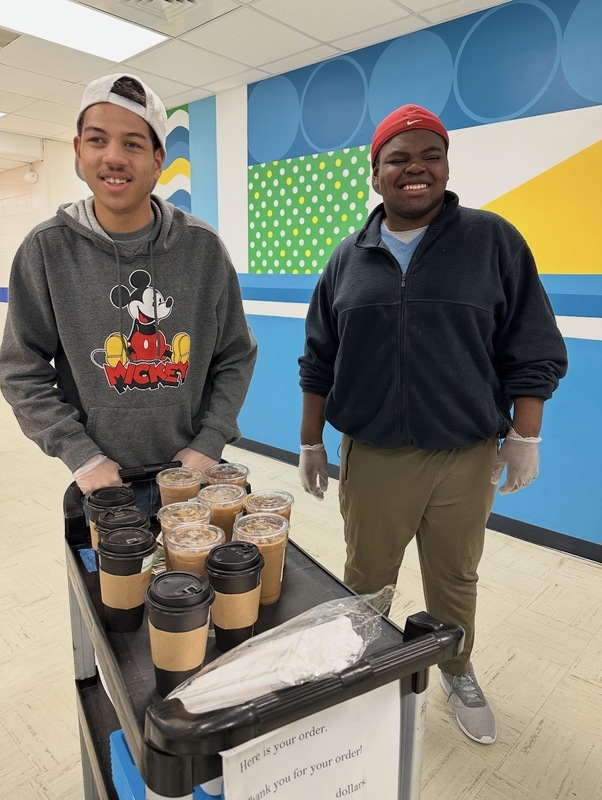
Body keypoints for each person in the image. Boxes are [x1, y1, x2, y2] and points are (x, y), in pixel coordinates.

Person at [298, 104, 567, 744]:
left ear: (445, 166)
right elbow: (318, 359)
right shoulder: (349, 258)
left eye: (430, 156)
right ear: (375, 174)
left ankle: (457, 665)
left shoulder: (491, 241)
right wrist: (312, 440)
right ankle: (358, 668)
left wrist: (524, 435)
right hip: (375, 455)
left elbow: (531, 345)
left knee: (455, 575)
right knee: (366, 577)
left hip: (467, 454)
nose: (415, 168)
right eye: (398, 157)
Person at [0, 73, 257, 516]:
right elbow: (21, 370)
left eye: (133, 144)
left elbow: (235, 355)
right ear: (79, 152)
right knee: (109, 587)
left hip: (194, 472)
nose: (114, 157)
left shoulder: (203, 248)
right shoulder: (45, 250)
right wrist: (82, 455)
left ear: (159, 161)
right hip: (103, 481)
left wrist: (209, 443)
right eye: (98, 140)